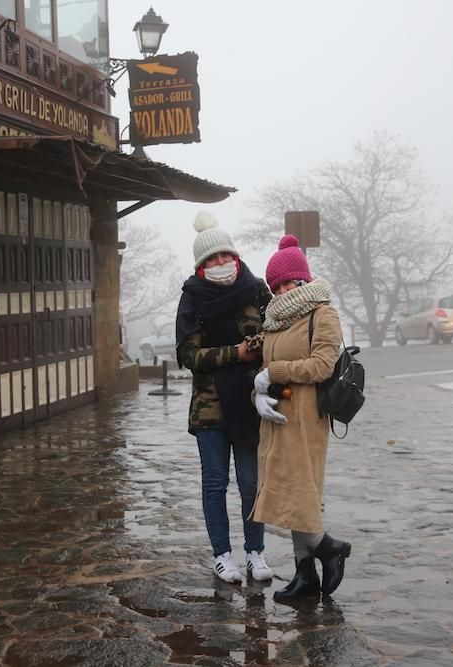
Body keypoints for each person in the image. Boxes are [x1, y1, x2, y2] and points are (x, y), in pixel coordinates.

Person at [250, 234, 353, 602]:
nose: (281, 291)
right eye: (275, 286)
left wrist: (273, 373)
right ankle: (305, 574)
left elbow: (322, 365)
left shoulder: (322, 313)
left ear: (303, 279)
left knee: (302, 494)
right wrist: (258, 395)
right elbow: (264, 371)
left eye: (287, 283)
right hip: (276, 420)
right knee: (290, 495)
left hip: (306, 420)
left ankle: (329, 548)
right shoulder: (274, 320)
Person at [175, 211, 274, 584]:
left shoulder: (256, 289)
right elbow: (188, 355)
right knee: (215, 484)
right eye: (212, 258)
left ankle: (255, 552)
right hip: (210, 408)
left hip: (250, 402)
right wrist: (236, 353)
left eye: (225, 255)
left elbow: (278, 331)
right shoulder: (192, 299)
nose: (220, 262)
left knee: (251, 482)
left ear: (235, 255)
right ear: (201, 266)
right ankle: (222, 555)